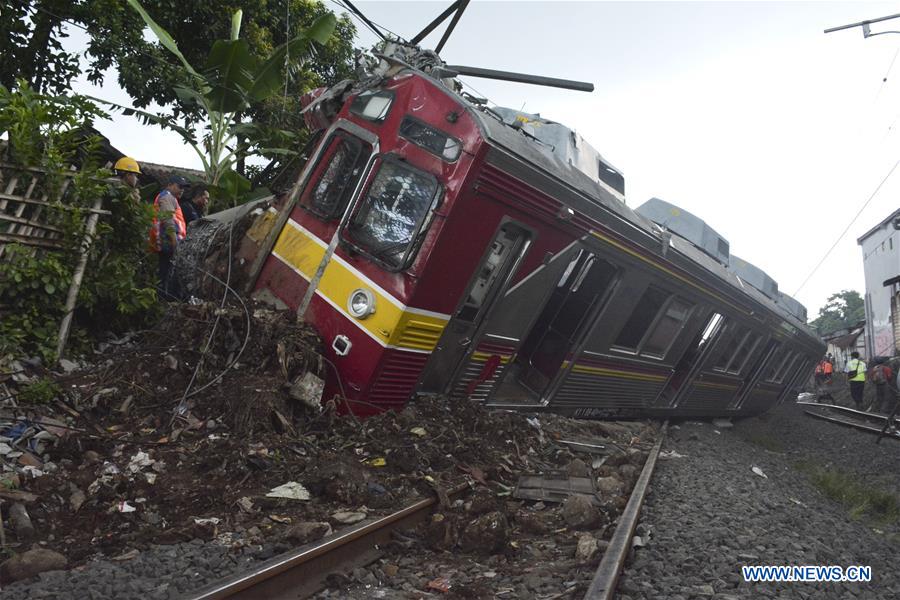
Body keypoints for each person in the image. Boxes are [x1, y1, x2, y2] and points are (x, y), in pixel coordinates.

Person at [149, 175, 190, 300]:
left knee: (166, 274)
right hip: (168, 242)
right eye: (179, 186)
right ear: (170, 185)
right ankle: (165, 302)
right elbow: (168, 220)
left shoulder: (170, 197)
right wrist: (174, 242)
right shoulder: (167, 197)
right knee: (168, 275)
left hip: (167, 242)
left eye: (184, 187)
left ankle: (164, 300)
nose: (182, 190)